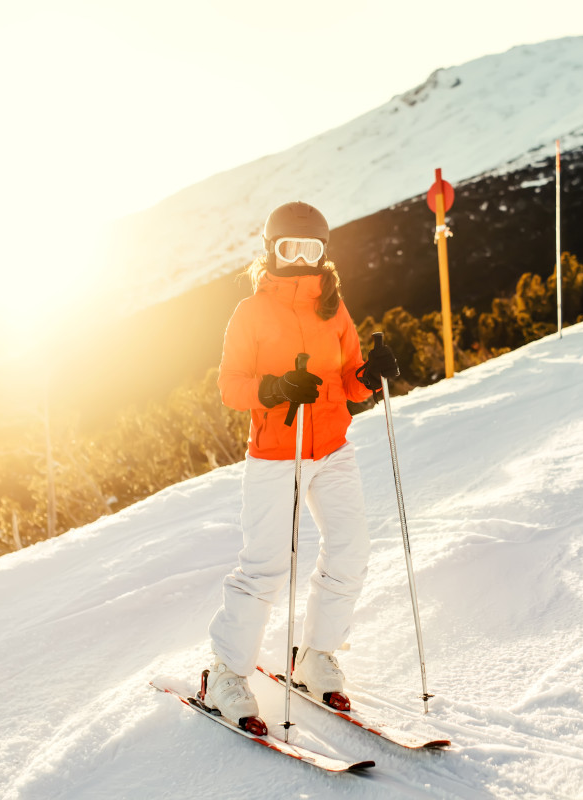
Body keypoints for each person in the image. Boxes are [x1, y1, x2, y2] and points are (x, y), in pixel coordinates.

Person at [203, 201, 399, 732]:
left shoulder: (333, 308)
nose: (300, 260)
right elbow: (230, 386)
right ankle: (224, 673)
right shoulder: (250, 313)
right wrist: (272, 389)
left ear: (323, 254)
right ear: (271, 250)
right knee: (264, 566)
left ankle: (315, 655)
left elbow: (352, 379)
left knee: (350, 551)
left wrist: (372, 372)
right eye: (289, 249)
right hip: (275, 455)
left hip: (333, 447)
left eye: (310, 250)